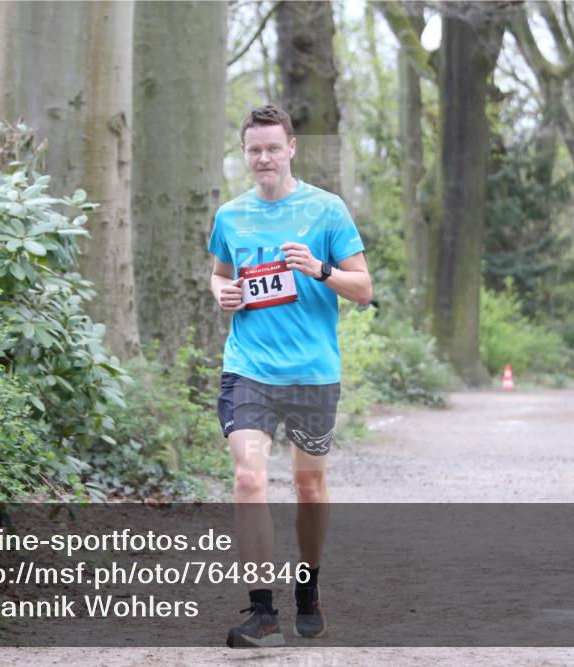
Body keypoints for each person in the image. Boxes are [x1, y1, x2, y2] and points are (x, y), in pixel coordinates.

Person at [208, 103, 372, 648]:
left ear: (291, 148)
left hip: (311, 372)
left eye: (273, 148)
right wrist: (222, 294)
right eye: (254, 150)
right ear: (244, 153)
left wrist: (320, 270)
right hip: (249, 367)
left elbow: (364, 289)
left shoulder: (326, 211)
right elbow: (218, 276)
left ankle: (308, 586)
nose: (264, 158)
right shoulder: (230, 215)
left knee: (308, 484)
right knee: (249, 479)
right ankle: (262, 612)